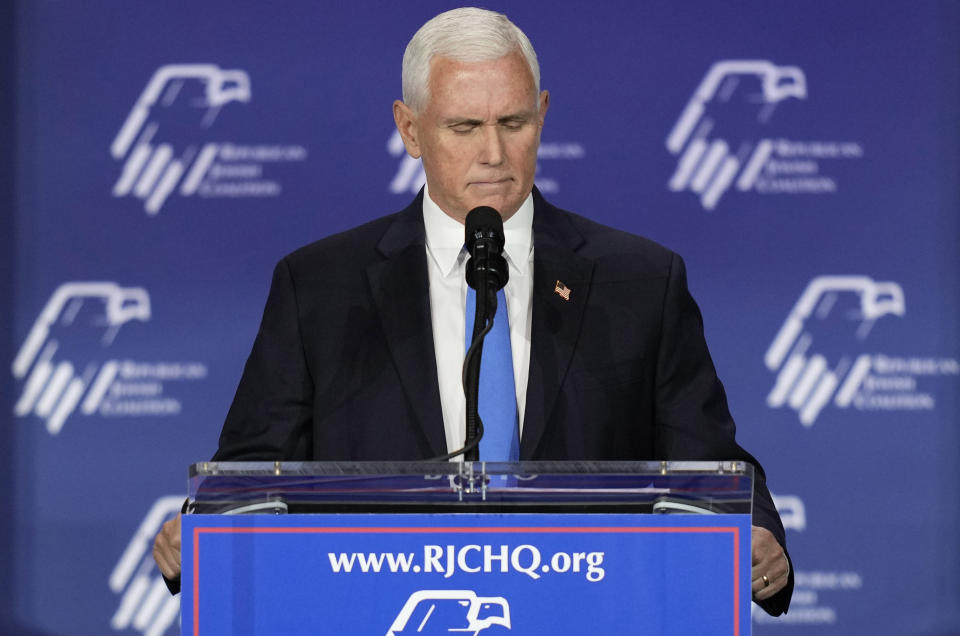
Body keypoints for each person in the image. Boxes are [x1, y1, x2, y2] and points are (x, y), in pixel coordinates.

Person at [153, 7, 793, 614]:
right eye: (464, 127)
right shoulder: (320, 287)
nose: (494, 153)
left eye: (513, 123)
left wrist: (757, 535)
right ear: (410, 130)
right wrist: (201, 528)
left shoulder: (640, 281)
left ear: (542, 116)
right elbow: (249, 474)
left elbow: (706, 462)